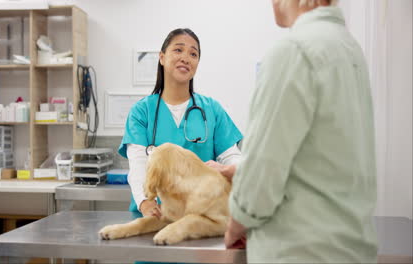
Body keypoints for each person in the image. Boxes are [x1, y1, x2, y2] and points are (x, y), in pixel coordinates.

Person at [220, 0, 378, 263]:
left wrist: (236, 224)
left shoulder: (294, 50)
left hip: (299, 251)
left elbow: (262, 175)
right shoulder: (349, 49)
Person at [119, 28, 243, 217]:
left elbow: (233, 157)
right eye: (178, 50)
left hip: (201, 215)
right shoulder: (142, 112)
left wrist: (227, 169)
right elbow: (138, 167)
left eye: (193, 54)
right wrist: (146, 204)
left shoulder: (212, 110)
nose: (186, 58)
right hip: (155, 216)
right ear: (161, 57)